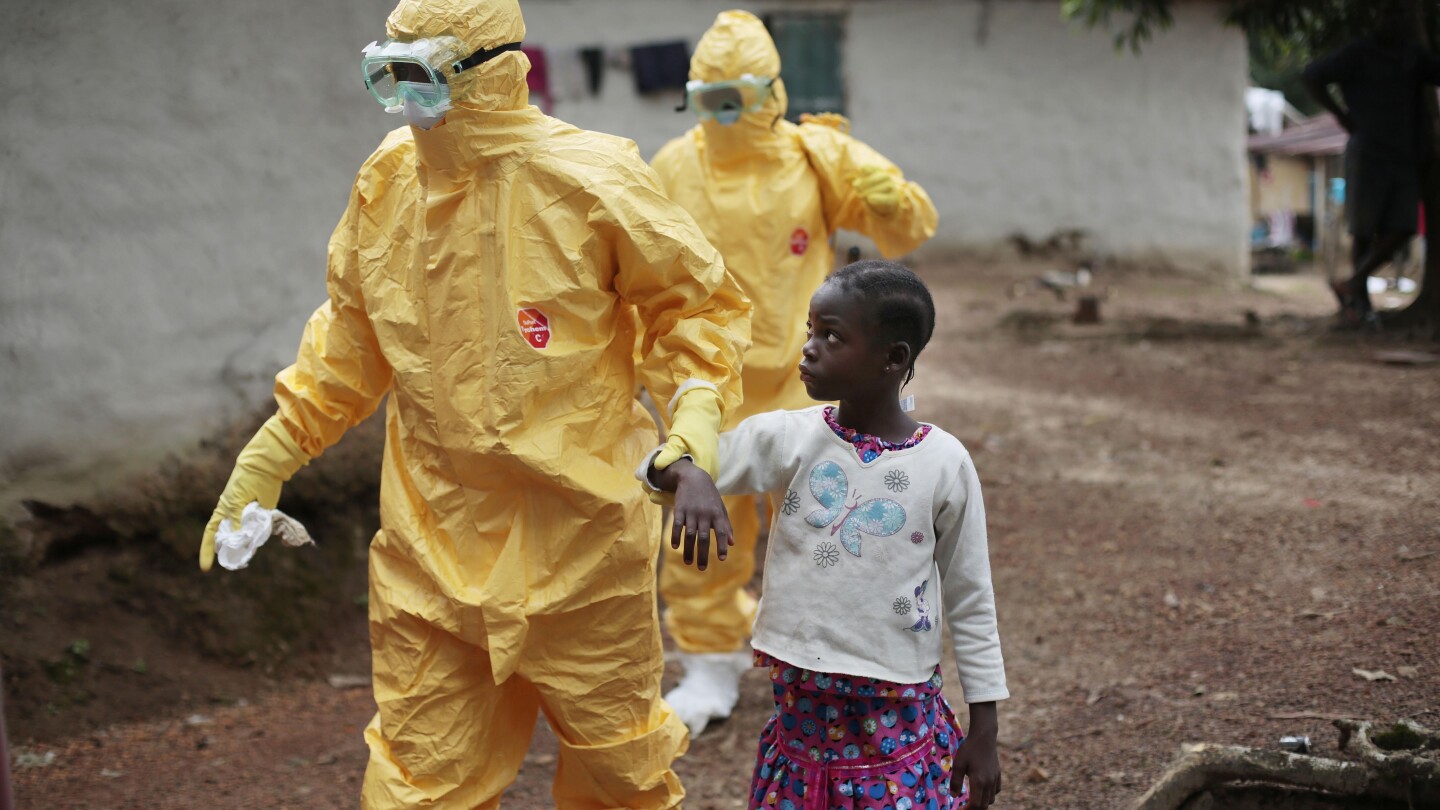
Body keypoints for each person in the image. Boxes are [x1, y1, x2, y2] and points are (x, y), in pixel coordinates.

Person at [198, 0, 751, 806]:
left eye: (418, 76)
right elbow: (348, 343)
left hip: (582, 547)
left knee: (619, 775)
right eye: (388, 74)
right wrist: (273, 454)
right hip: (434, 550)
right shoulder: (389, 180)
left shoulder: (589, 179)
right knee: (419, 778)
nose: (402, 99)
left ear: (488, 72)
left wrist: (692, 430)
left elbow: (694, 308)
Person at [650, 10, 939, 736]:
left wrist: (876, 187)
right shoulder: (671, 167)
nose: (722, 114)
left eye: (735, 97)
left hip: (805, 379)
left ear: (769, 95)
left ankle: (836, 659)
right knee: (700, 527)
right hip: (707, 386)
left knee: (825, 524)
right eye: (707, 97)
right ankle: (711, 663)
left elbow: (906, 230)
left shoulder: (814, 156)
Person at [643, 261, 1007, 810]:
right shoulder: (788, 438)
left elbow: (971, 599)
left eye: (832, 336)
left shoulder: (944, 463)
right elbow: (657, 466)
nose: (809, 349)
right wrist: (689, 474)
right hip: (802, 719)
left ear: (894, 358)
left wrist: (984, 730)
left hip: (896, 710)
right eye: (810, 331)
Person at [1303, 5, 1440, 327]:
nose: (1392, 19)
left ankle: (1353, 281)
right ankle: (1358, 304)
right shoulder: (1358, 53)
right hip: (1369, 153)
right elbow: (1311, 76)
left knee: (1404, 227)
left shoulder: (1412, 56)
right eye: (1388, 14)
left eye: (1398, 15)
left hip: (1404, 155)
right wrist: (1341, 114)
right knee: (1363, 230)